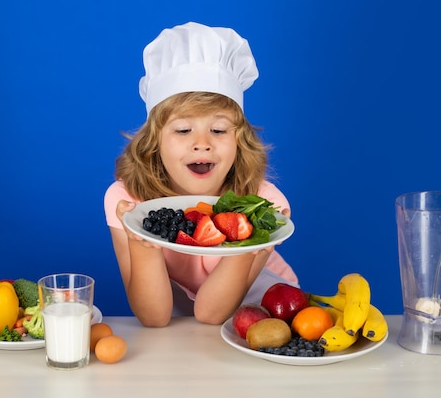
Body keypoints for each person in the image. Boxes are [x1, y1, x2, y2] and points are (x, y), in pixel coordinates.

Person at [104, 22, 298, 327]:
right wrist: (142, 240)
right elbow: (154, 317)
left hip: (264, 307)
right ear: (154, 141)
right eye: (183, 130)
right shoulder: (127, 200)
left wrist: (248, 232)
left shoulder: (264, 206)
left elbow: (211, 314)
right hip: (183, 316)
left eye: (219, 130)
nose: (202, 144)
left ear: (239, 140)